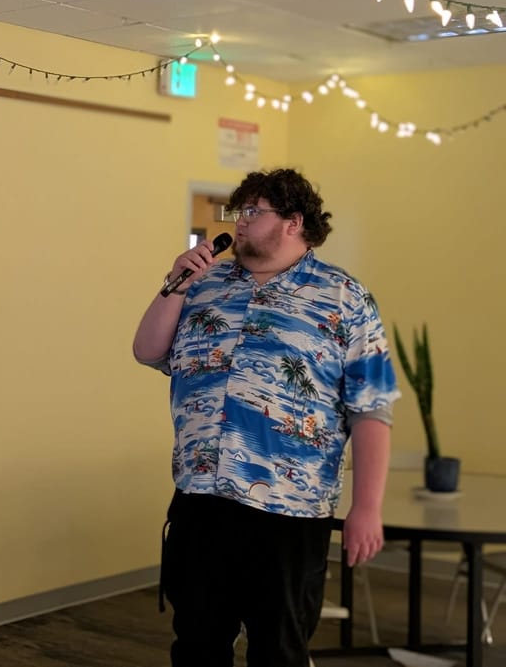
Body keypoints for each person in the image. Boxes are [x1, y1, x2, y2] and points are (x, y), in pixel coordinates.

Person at [132, 168, 400, 667]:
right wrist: (174, 284)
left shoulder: (344, 298)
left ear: (294, 222)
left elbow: (372, 410)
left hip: (289, 512)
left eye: (254, 212)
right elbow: (147, 351)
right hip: (201, 500)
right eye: (239, 212)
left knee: (279, 650)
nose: (241, 223)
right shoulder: (204, 286)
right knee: (195, 646)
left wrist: (367, 506)